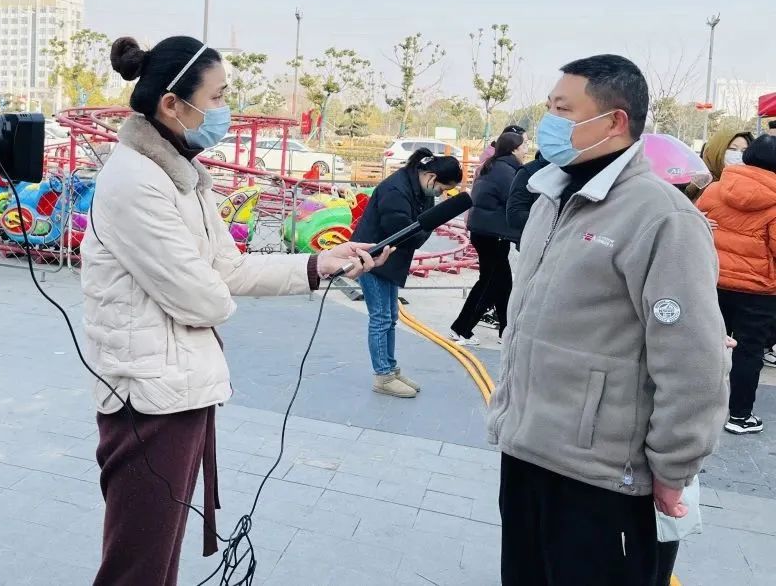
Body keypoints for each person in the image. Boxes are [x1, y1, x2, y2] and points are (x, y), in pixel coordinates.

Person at [81, 35, 389, 586]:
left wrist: (319, 264)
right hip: (147, 399)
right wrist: (216, 292)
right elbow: (203, 296)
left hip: (180, 387)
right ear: (172, 104)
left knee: (159, 560)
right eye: (218, 97)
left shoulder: (182, 173)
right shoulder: (135, 181)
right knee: (138, 566)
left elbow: (229, 267)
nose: (226, 109)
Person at [486, 54, 728, 586]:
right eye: (549, 107)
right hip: (526, 453)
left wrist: (674, 467)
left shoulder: (661, 217)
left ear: (614, 121)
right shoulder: (551, 198)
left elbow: (693, 360)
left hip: (603, 480)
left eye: (563, 110)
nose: (548, 122)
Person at [352, 148, 463, 396]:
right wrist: (427, 226)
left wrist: (427, 225)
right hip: (372, 258)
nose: (441, 194)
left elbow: (420, 227)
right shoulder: (395, 190)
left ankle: (391, 369)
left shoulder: (418, 189)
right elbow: (405, 233)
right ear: (431, 177)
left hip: (390, 259)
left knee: (390, 317)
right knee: (381, 318)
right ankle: (383, 376)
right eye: (442, 189)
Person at [697, 134, 776, 435]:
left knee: (709, 345)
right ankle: (740, 416)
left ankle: (699, 409)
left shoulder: (715, 189)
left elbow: (698, 226)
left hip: (713, 280)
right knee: (748, 351)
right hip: (758, 290)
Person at [450, 132, 524, 344]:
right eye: (524, 145)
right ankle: (461, 328)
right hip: (494, 234)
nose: (526, 149)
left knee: (503, 283)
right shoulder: (507, 172)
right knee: (489, 283)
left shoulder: (493, 166)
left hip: (484, 231)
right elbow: (514, 201)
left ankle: (506, 332)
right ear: (513, 149)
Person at [684, 127, 753, 201]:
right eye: (733, 149)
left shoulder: (751, 186)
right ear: (716, 151)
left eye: (744, 151)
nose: (738, 155)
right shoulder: (698, 182)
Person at [505, 150, 549, 239]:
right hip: (537, 240)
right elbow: (514, 214)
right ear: (513, 150)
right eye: (524, 145)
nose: (526, 151)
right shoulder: (529, 171)